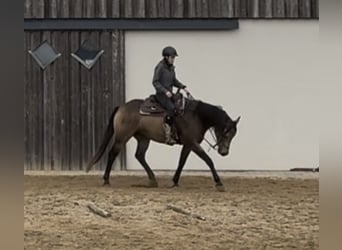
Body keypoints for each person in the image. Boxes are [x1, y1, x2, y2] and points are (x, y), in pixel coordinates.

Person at [152, 46, 189, 144]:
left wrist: (183, 87)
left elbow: (174, 81)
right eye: (172, 57)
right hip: (161, 95)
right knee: (172, 109)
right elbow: (155, 82)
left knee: (180, 106)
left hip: (170, 94)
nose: (173, 60)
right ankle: (168, 136)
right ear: (166, 57)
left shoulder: (171, 68)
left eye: (174, 58)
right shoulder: (159, 67)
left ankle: (177, 131)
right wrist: (165, 91)